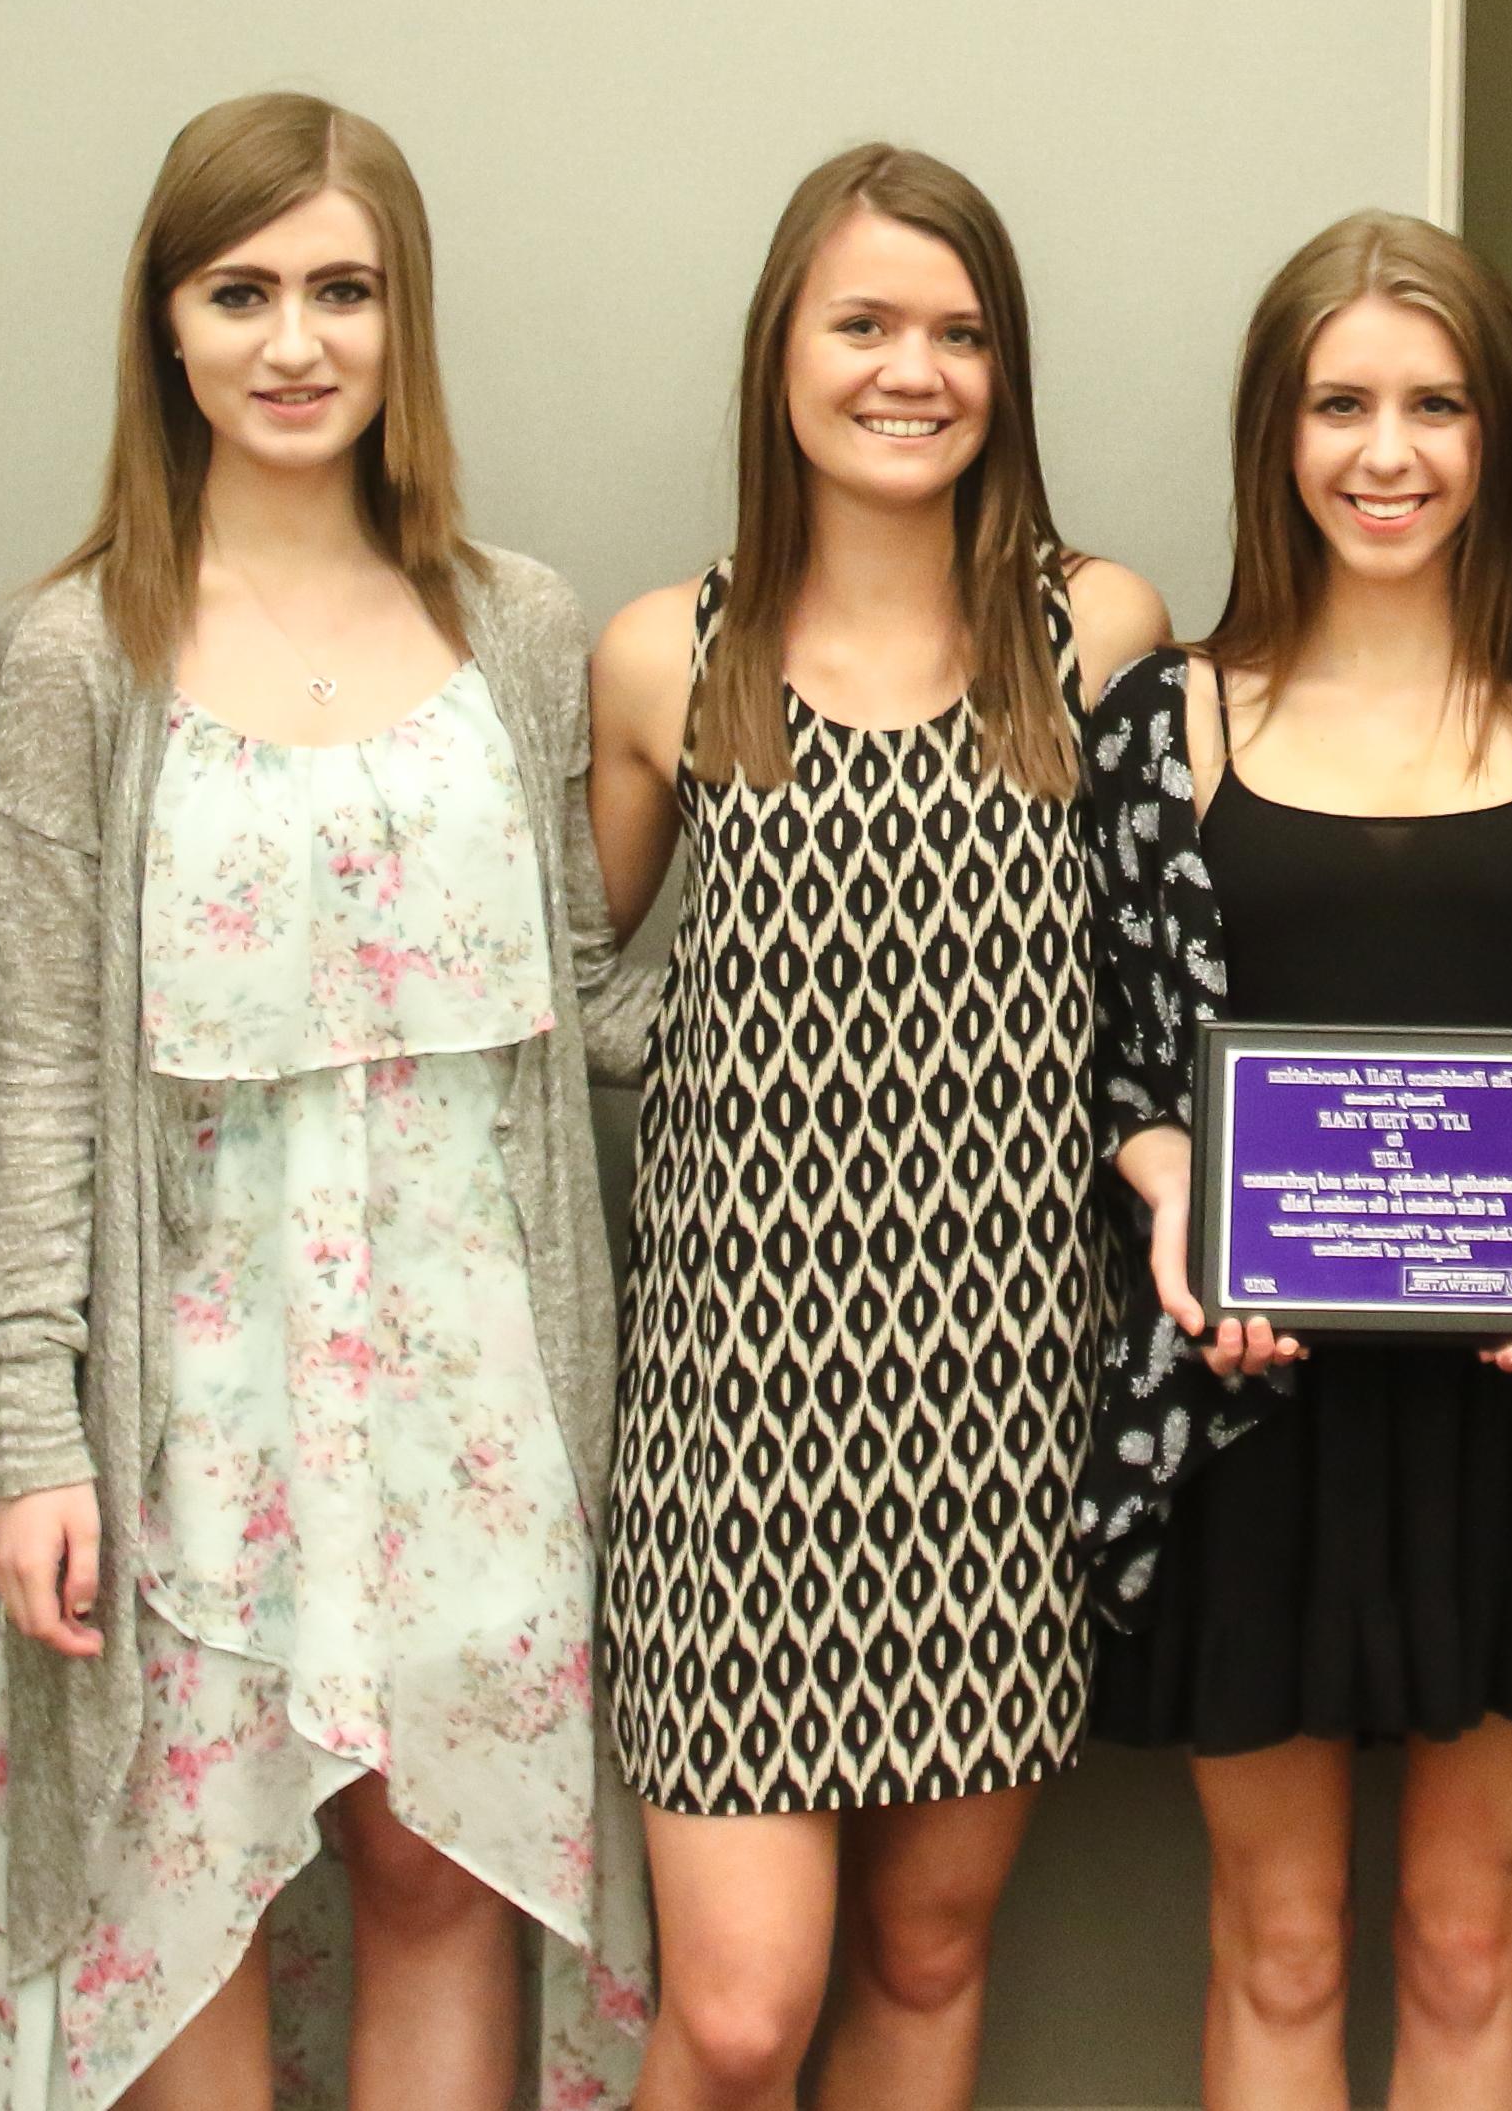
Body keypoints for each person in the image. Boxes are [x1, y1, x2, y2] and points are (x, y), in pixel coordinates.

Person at [0, 92, 651, 2106]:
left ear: (400, 322)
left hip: (479, 1399)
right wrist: (33, 1426)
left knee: (441, 1879)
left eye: (341, 291)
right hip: (193, 1406)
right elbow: (38, 1075)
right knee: (192, 1889)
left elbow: (586, 1013)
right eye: (239, 289)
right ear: (164, 326)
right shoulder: (77, 655)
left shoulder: (514, 627)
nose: (293, 340)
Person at [1072, 210, 1512, 2109]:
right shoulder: (1163, 721)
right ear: (1278, 431)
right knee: (1278, 1942)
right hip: (1249, 1416)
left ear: (1499, 432)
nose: (1388, 451)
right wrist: (1176, 1191)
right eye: (1341, 403)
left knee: (1465, 1935)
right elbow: (1119, 1053)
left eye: (1435, 404)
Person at [588, 143, 1170, 2108]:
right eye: (864, 324)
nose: (911, 367)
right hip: (733, 1426)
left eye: (959, 331)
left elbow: (1174, 1004)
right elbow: (543, 989)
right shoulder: (669, 653)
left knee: (925, 1959)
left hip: (1000, 1409)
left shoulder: (1093, 636)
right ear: (782, 355)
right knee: (742, 2011)